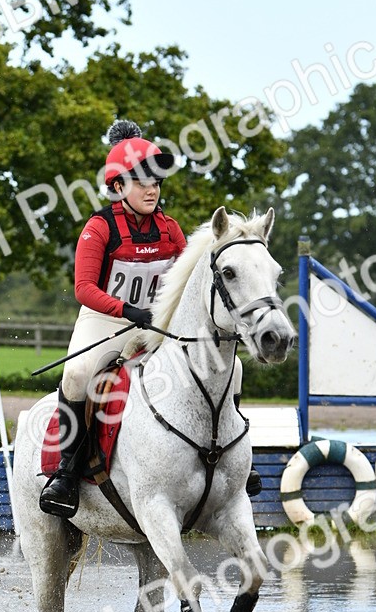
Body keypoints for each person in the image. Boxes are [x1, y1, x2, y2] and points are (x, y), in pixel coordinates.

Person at [39, 118, 262, 518]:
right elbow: (84, 289)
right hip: (106, 319)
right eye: (141, 182)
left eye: (156, 182)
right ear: (118, 186)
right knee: (76, 376)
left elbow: (193, 280)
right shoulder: (99, 227)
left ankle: (236, 464)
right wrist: (128, 311)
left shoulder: (169, 229)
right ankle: (67, 473)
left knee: (231, 367)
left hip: (156, 324)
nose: (152, 189)